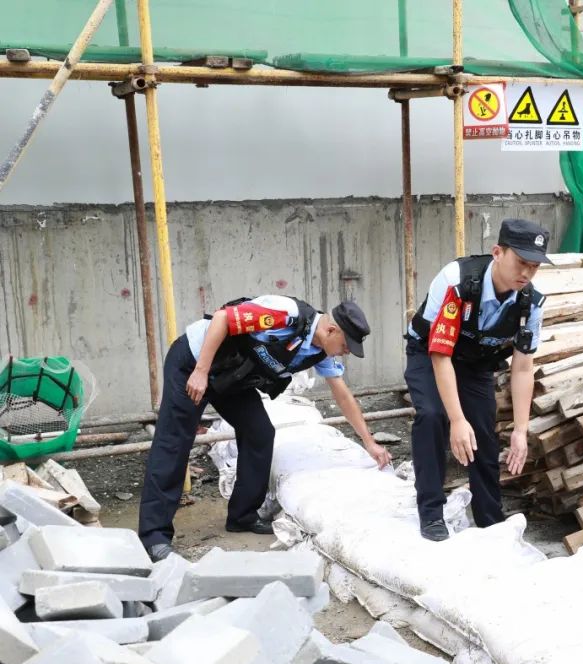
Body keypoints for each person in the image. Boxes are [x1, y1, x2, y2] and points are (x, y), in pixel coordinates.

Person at [139, 295, 392, 561]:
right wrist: (200, 372)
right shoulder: (286, 313)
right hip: (194, 362)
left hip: (232, 377)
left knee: (259, 433)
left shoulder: (319, 350)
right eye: (345, 345)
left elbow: (342, 395)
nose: (346, 352)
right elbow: (223, 318)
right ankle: (154, 536)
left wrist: (368, 441)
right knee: (174, 442)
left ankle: (242, 516)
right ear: (331, 330)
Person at [405, 219, 549, 541]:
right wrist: (456, 419)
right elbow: (440, 354)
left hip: (475, 362)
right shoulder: (458, 282)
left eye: (534, 266)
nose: (526, 273)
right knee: (433, 416)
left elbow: (523, 367)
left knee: (483, 431)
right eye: (521, 262)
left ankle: (489, 520)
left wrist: (521, 431)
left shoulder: (530, 302)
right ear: (498, 252)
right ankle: (431, 512)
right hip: (430, 353)